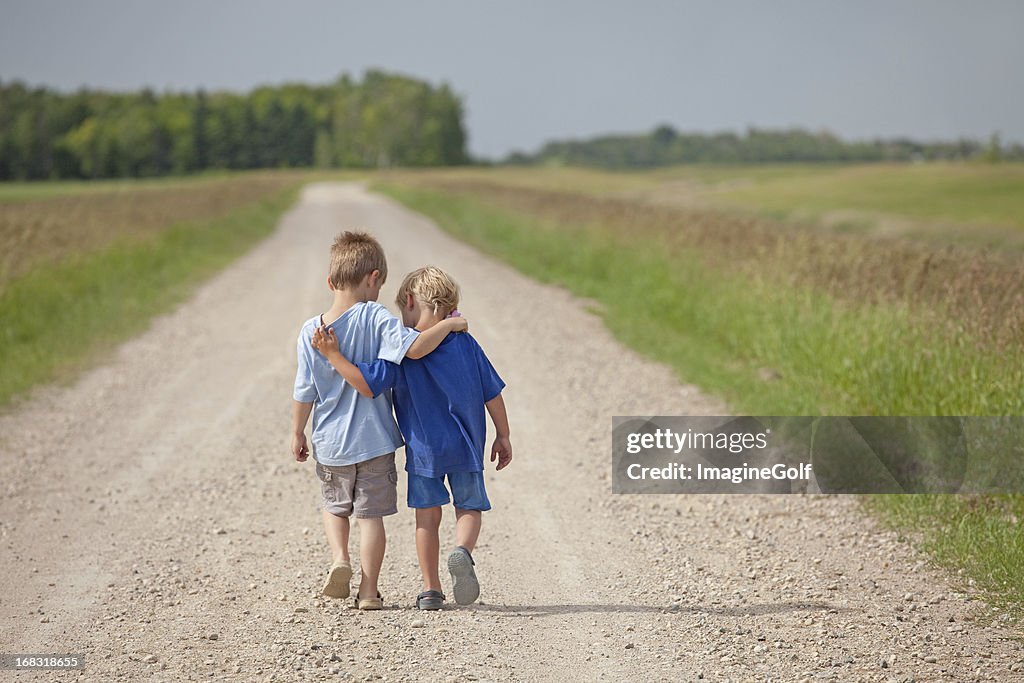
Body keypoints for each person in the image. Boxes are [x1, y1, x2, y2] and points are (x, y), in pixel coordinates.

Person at [311, 266, 512, 611]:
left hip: (424, 452)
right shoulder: (465, 343)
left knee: (427, 519)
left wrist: (334, 356)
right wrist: (503, 435)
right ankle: (462, 551)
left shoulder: (400, 351)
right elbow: (491, 392)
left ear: (408, 302)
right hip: (466, 445)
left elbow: (366, 382)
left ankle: (431, 588)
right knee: (470, 507)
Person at [291, 234, 467, 610]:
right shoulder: (375, 317)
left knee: (335, 506)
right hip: (374, 441)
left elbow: (304, 390)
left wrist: (297, 432)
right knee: (370, 518)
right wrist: (451, 325)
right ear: (374, 278)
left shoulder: (311, 331)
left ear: (330, 282)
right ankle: (369, 592)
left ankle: (340, 557)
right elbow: (416, 347)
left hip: (331, 441)